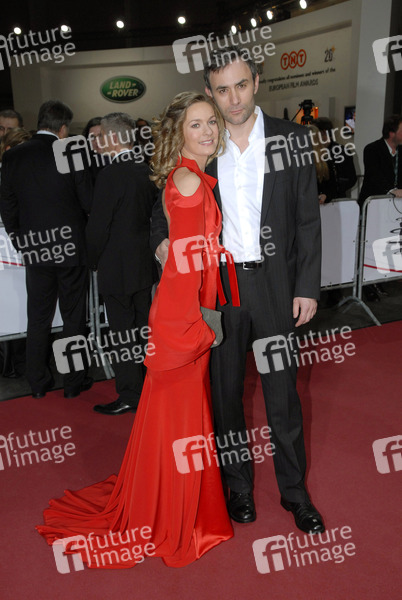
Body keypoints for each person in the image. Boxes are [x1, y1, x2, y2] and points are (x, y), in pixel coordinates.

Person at [36, 92, 234, 568]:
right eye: (196, 124)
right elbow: (184, 266)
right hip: (182, 319)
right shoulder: (191, 182)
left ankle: (167, 504)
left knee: (173, 422)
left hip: (180, 314)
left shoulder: (186, 175)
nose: (208, 131)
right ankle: (176, 516)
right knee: (182, 424)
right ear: (178, 132)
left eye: (211, 122)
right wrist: (192, 330)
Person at [152, 48, 324, 534]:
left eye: (241, 86)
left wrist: (306, 286)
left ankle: (296, 493)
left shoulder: (292, 138)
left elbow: (307, 220)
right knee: (225, 395)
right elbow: (164, 201)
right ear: (209, 91)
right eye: (222, 89)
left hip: (276, 286)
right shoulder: (205, 140)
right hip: (219, 291)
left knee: (282, 395)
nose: (233, 99)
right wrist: (161, 241)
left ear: (256, 82)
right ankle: (239, 488)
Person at [0, 100, 93, 399]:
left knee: (38, 317)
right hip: (70, 247)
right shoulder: (71, 151)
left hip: (35, 248)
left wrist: (19, 239)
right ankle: (73, 382)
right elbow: (88, 201)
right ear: (63, 128)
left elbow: (7, 205)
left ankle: (37, 383)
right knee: (73, 317)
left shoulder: (13, 155)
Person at [86, 112, 158, 415]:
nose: (99, 142)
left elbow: (98, 227)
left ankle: (130, 394)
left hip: (116, 267)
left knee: (121, 333)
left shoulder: (109, 175)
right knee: (142, 329)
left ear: (114, 138)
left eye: (102, 136)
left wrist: (92, 261)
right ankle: (148, 389)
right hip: (143, 264)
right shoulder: (146, 170)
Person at [359, 114, 402, 301]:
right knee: (369, 246)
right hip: (373, 207)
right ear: (392, 133)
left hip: (393, 210)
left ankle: (379, 280)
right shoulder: (372, 149)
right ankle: (366, 285)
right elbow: (374, 176)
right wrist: (392, 190)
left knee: (386, 244)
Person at [312, 117, 357, 200]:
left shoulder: (342, 151)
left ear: (324, 133)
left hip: (336, 200)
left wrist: (331, 190)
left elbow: (351, 179)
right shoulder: (311, 151)